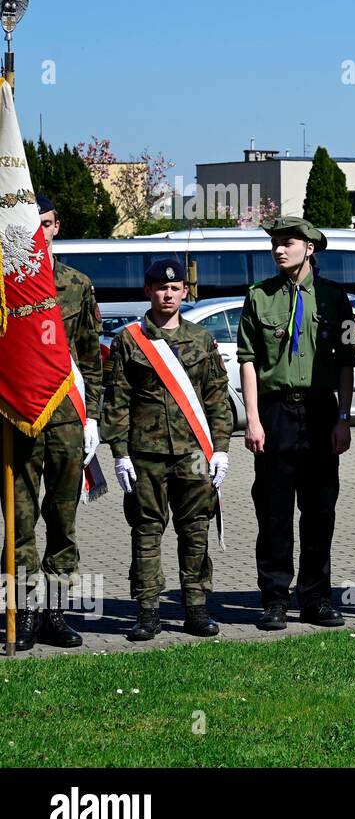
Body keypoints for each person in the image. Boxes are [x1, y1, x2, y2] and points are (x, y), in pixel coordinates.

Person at [102, 260, 233, 640]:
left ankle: (195, 607)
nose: (168, 293)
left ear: (185, 293)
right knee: (146, 530)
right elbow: (118, 400)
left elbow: (217, 399)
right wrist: (120, 453)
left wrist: (221, 449)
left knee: (195, 529)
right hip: (145, 454)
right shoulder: (129, 340)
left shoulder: (201, 339)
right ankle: (147, 611)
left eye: (175, 288)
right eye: (160, 287)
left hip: (193, 452)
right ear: (148, 291)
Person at [237, 217, 355, 631]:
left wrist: (343, 418)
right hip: (275, 413)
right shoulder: (259, 297)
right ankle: (273, 598)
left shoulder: (334, 298)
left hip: (322, 411)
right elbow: (248, 361)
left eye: (288, 243)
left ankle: (316, 597)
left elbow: (345, 362)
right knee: (273, 511)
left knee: (320, 510)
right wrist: (252, 420)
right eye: (275, 244)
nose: (279, 250)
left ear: (310, 248)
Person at [8, 193, 102, 650]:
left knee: (62, 523)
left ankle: (56, 612)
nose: (38, 234)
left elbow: (91, 356)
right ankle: (21, 612)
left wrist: (94, 418)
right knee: (19, 525)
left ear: (56, 227)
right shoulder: (6, 286)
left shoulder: (76, 284)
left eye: (44, 225)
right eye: (30, 226)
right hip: (18, 421)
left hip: (67, 418)